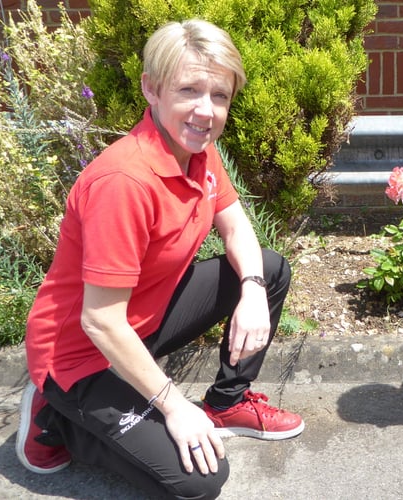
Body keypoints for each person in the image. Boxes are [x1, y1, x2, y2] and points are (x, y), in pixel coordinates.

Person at [15, 19, 303, 498]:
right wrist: (173, 405)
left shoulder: (197, 151)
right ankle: (55, 420)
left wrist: (251, 288)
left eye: (220, 96)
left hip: (140, 323)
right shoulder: (124, 183)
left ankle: (226, 403)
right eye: (189, 89)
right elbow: (101, 322)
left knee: (268, 269)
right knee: (198, 481)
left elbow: (234, 224)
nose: (205, 111)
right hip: (79, 353)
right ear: (151, 88)